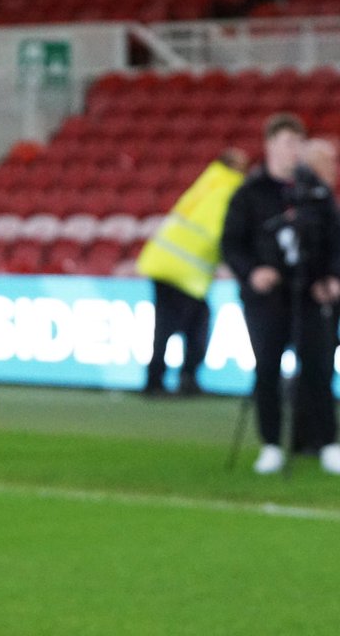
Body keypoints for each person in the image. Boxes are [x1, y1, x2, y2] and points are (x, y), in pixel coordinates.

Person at [221, 112, 340, 476]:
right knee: (268, 368)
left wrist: (333, 276)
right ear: (270, 145)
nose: (293, 151)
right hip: (268, 297)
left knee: (318, 367)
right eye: (287, 143)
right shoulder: (249, 193)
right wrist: (252, 272)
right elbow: (231, 244)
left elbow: (335, 240)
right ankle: (271, 443)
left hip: (309, 293)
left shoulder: (315, 191)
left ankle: (327, 443)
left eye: (297, 144)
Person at [135, 147, 248, 396]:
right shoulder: (228, 189)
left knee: (172, 325)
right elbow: (221, 231)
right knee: (190, 325)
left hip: (163, 261)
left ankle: (162, 379)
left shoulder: (207, 182)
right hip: (185, 269)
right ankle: (176, 379)